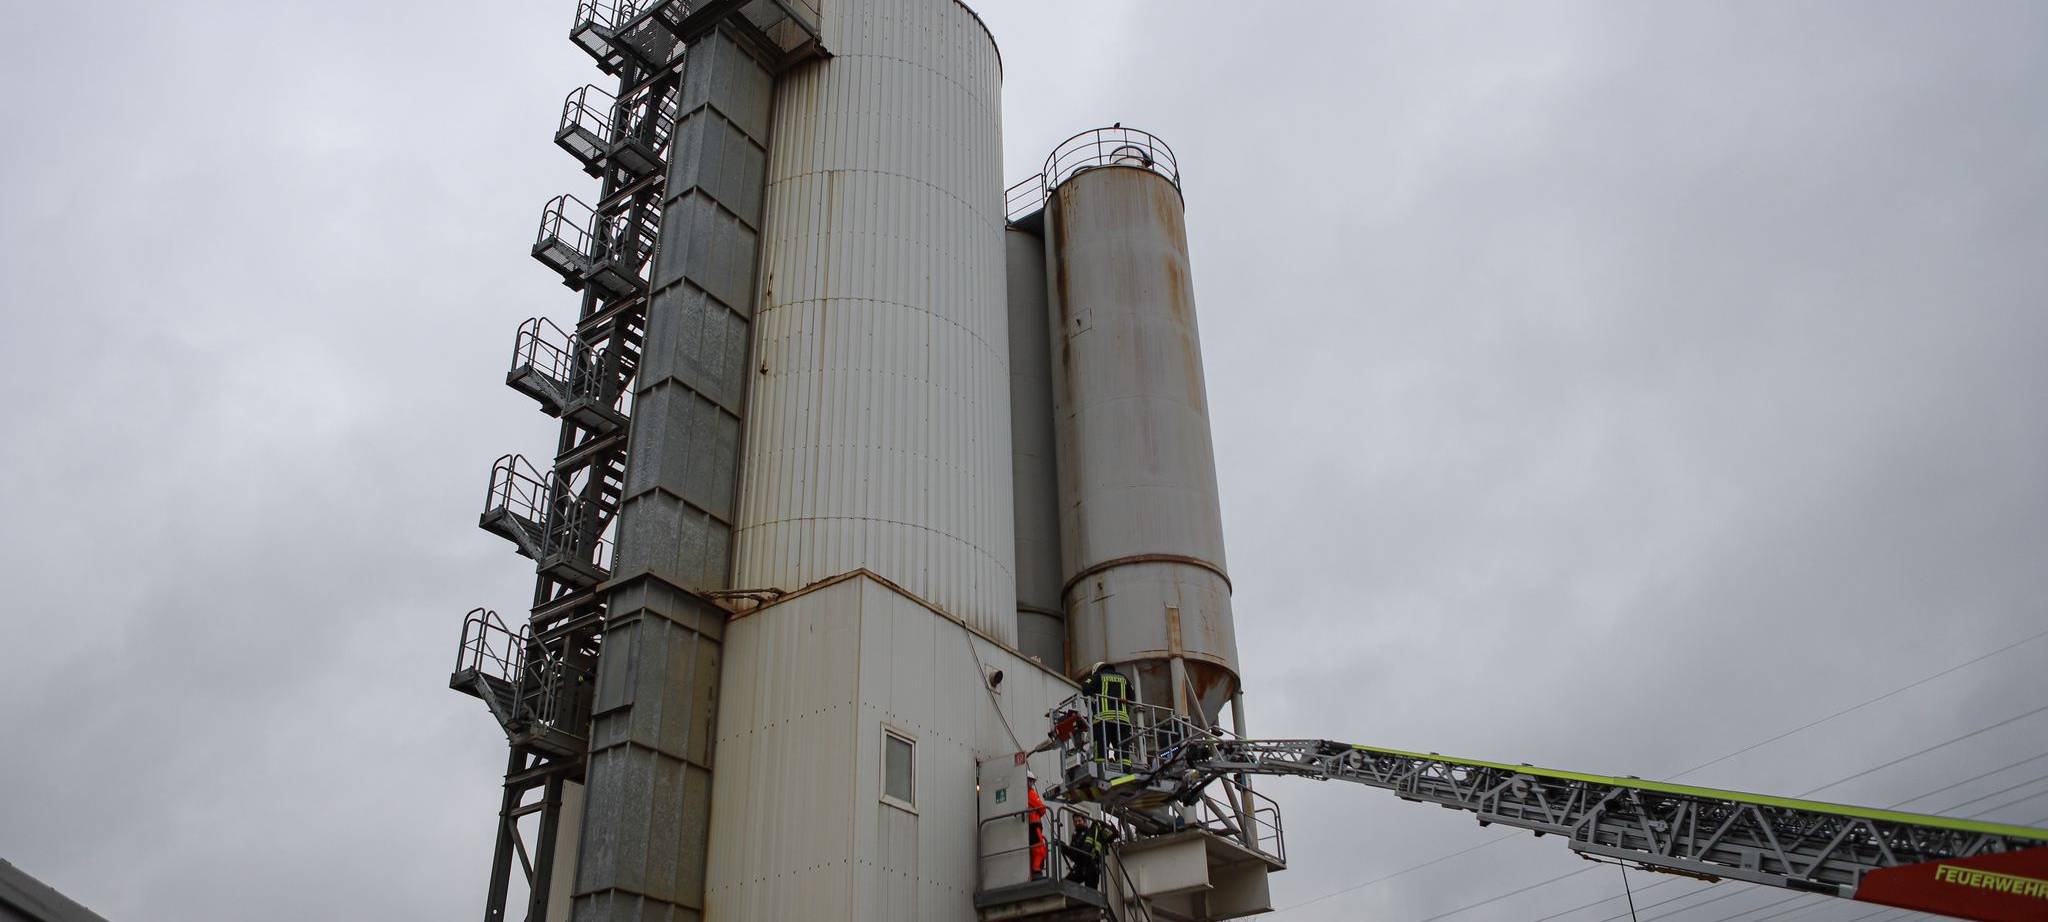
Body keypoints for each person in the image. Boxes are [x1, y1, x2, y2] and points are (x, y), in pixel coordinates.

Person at [1080, 664, 1133, 768]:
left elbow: (1085, 687)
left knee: (1101, 750)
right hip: (1122, 721)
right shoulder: (1124, 678)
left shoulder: (1097, 676)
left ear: (1096, 670)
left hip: (1103, 720)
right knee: (1123, 752)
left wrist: (1093, 695)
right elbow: (1132, 697)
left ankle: (1101, 768)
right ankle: (1125, 768)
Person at [1061, 813, 1118, 889]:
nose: (1077, 823)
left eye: (1079, 820)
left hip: (1091, 867)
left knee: (1092, 893)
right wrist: (1064, 847)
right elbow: (1074, 855)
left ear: (1085, 821)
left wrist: (1068, 850)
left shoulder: (1090, 833)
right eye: (1075, 821)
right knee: (1065, 884)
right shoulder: (1075, 835)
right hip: (1080, 867)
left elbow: (1084, 852)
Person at [1026, 770, 1047, 879]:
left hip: (1030, 825)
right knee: (1039, 849)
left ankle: (1035, 871)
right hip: (1034, 825)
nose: (1031, 784)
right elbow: (1042, 809)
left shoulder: (1023, 794)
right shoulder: (1030, 793)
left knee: (1035, 849)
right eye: (1030, 781)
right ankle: (1036, 871)